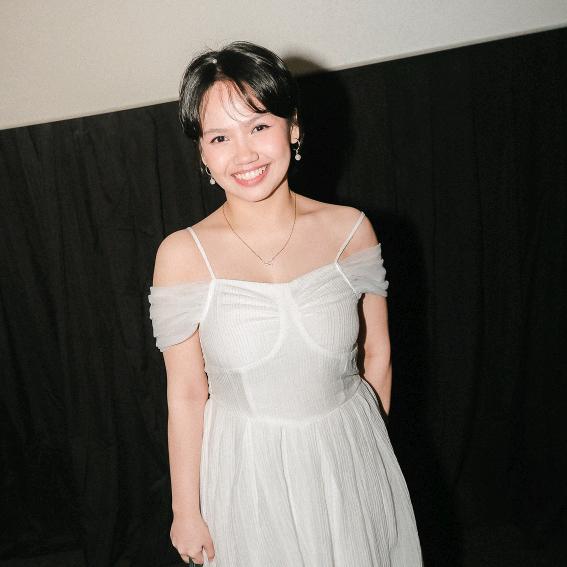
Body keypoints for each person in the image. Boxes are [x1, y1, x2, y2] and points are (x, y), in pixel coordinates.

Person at [148, 41, 423, 566]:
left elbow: (379, 356)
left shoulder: (351, 231)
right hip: (248, 479)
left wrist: (367, 458)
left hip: (350, 460)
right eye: (220, 137)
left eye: (259, 126)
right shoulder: (182, 255)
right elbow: (185, 394)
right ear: (202, 153)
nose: (244, 153)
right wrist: (186, 510)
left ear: (292, 128)